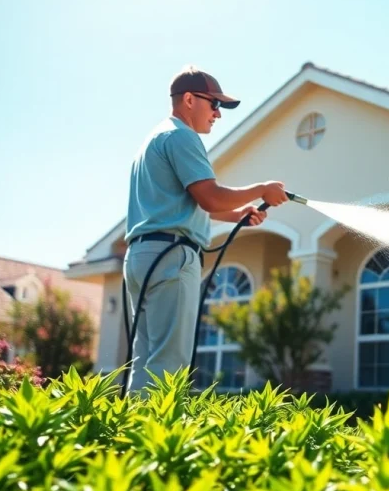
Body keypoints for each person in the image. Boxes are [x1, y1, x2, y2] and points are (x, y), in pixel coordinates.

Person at [122, 64, 289, 391]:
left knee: (146, 361)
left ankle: (132, 437)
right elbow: (210, 197)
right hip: (171, 258)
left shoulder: (153, 139)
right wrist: (262, 189)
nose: (218, 114)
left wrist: (238, 213)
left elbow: (185, 204)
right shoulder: (182, 136)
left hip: (143, 256)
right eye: (214, 104)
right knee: (170, 365)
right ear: (188, 99)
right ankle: (160, 441)